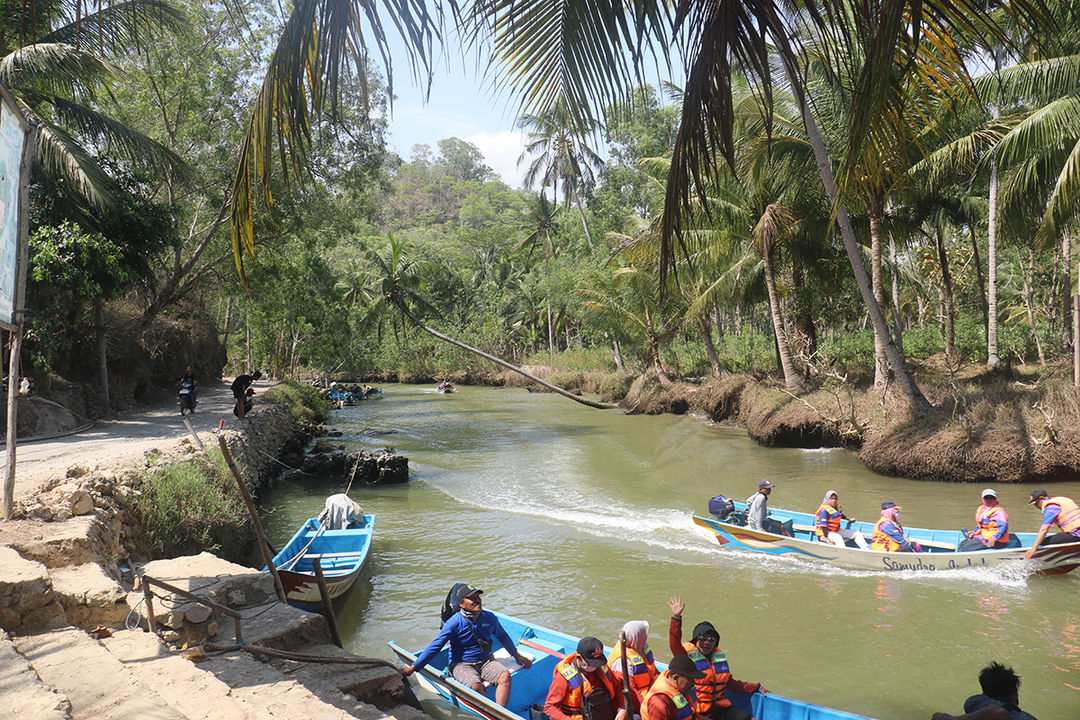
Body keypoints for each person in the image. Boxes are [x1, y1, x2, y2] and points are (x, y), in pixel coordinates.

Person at [401, 585, 531, 707]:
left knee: (505, 676)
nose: (477, 601)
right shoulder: (454, 623)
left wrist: (517, 656)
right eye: (472, 599)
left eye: (478, 597)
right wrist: (413, 668)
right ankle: (491, 712)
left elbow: (503, 636)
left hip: (485, 660)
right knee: (476, 686)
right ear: (462, 604)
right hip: (461, 664)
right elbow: (435, 646)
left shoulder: (489, 618)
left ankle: (500, 712)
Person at [667, 596, 765, 720]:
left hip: (719, 709)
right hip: (698, 711)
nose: (707, 642)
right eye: (703, 638)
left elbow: (731, 684)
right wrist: (676, 618)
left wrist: (756, 687)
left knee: (744, 716)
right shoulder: (686, 658)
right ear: (696, 639)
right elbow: (674, 644)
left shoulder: (718, 658)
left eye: (712, 640)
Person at [545, 636, 626, 720]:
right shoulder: (563, 677)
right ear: (579, 658)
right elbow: (550, 707)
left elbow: (618, 687)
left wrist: (623, 709)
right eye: (591, 663)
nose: (595, 667)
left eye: (598, 663)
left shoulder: (601, 667)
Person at [931, 662, 1038, 720]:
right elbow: (998, 713)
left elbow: (999, 713)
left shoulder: (975, 702)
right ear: (1015, 696)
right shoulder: (1027, 717)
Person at [607, 620, 658, 714]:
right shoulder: (622, 662)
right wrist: (649, 709)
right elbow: (631, 693)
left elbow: (655, 671)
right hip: (637, 703)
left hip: (649, 691)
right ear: (638, 637)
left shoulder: (641, 648)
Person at [641, 653, 706, 720]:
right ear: (676, 677)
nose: (693, 683)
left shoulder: (681, 687)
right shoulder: (659, 702)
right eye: (690, 679)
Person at [1023, 490, 1080, 559]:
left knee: (1044, 542)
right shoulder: (1062, 500)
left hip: (1076, 535)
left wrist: (1034, 548)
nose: (1036, 506)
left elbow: (1044, 529)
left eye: (1037, 503)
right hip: (1076, 533)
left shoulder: (1050, 508)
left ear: (1043, 498)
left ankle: (1042, 560)